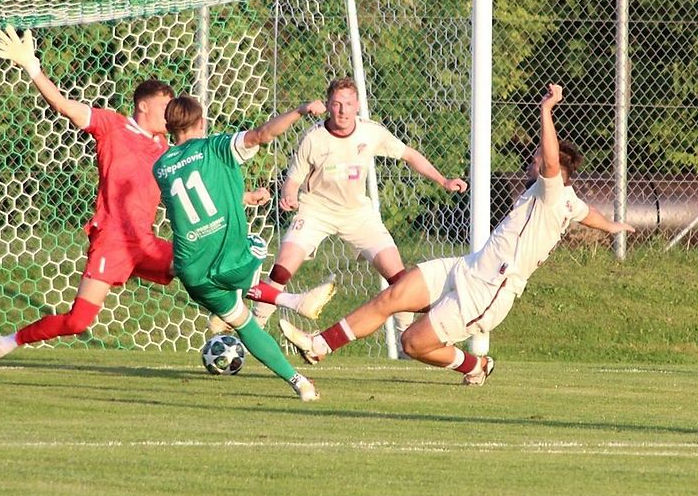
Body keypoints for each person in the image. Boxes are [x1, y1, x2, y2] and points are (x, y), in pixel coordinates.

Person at [279, 83, 636, 385]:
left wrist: (547, 109)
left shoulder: (552, 190)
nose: (533, 160)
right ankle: (320, 345)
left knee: (413, 343)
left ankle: (476, 365)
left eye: (537, 157)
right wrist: (613, 226)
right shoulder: (568, 200)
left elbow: (553, 162)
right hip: (466, 266)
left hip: (487, 291)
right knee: (392, 295)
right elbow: (589, 214)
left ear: (547, 164)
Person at [0, 26, 176, 368]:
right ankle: (5, 343)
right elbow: (64, 106)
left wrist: (240, 197)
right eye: (164, 106)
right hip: (113, 241)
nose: (169, 115)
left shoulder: (164, 149)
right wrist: (32, 67)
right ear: (143, 105)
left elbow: (189, 188)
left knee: (199, 265)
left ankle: (251, 315)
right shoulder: (112, 126)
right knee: (77, 322)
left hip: (145, 241)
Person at [251, 77, 468, 350]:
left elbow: (410, 155)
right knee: (282, 269)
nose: (343, 110)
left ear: (357, 107)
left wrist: (443, 181)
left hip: (358, 216)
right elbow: (293, 179)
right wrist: (289, 194)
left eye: (349, 104)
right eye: (337, 104)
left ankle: (406, 347)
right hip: (316, 211)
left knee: (400, 280)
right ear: (328, 105)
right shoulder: (314, 139)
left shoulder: (371, 132)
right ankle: (252, 331)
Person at [154, 94, 333, 401]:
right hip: (230, 259)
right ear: (201, 123)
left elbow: (198, 202)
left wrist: (245, 199)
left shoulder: (161, 167)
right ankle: (293, 302)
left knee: (243, 321)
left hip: (191, 269)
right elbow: (263, 134)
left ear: (169, 127)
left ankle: (301, 382)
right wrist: (300, 110)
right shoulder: (216, 147)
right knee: (256, 244)